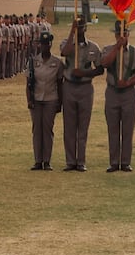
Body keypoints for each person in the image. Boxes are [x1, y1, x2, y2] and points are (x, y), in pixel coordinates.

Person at [98, 21, 135, 173]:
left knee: (127, 129)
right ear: (115, 34)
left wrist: (127, 82)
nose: (122, 36)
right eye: (119, 33)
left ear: (128, 34)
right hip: (112, 92)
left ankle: (125, 162)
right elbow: (105, 63)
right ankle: (113, 162)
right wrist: (117, 46)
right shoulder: (107, 49)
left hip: (128, 93)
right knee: (113, 129)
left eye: (124, 33)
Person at [59, 16, 105, 172]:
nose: (79, 30)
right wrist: (72, 32)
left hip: (85, 88)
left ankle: (81, 161)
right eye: (76, 27)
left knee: (83, 127)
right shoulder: (67, 42)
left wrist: (84, 72)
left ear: (86, 28)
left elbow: (100, 69)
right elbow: (65, 52)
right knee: (69, 126)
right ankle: (70, 161)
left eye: (81, 27)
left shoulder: (93, 47)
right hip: (69, 87)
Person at [26, 32, 63, 170]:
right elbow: (28, 83)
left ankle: (47, 161)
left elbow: (60, 83)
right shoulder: (33, 62)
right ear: (39, 45)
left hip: (51, 100)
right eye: (42, 44)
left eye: (47, 44)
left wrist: (60, 102)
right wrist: (29, 100)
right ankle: (38, 161)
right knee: (37, 130)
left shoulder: (57, 62)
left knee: (47, 130)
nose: (45, 46)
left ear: (50, 45)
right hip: (36, 99)